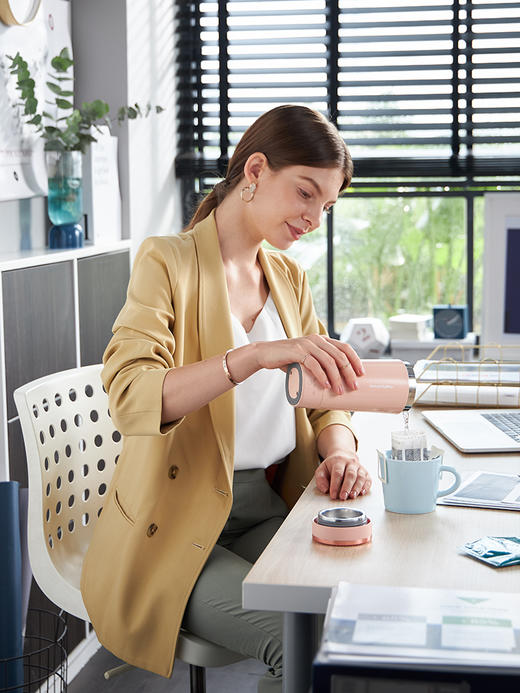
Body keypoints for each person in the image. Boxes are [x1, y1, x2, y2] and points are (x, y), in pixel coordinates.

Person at [80, 104, 372, 692]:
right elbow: (132, 395)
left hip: (267, 509)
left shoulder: (288, 278)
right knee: (298, 643)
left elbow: (323, 402)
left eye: (327, 205)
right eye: (305, 193)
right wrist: (251, 357)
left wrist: (338, 451)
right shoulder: (167, 261)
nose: (314, 217)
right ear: (256, 170)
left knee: (354, 616)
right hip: (177, 522)